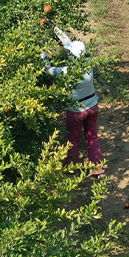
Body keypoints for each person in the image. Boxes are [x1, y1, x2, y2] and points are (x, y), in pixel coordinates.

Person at [41, 26, 104, 175]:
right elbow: (69, 44)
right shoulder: (88, 65)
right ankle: (98, 169)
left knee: (73, 140)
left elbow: (48, 70)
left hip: (76, 111)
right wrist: (55, 29)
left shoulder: (66, 72)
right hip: (93, 106)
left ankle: (71, 168)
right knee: (92, 137)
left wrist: (43, 53)